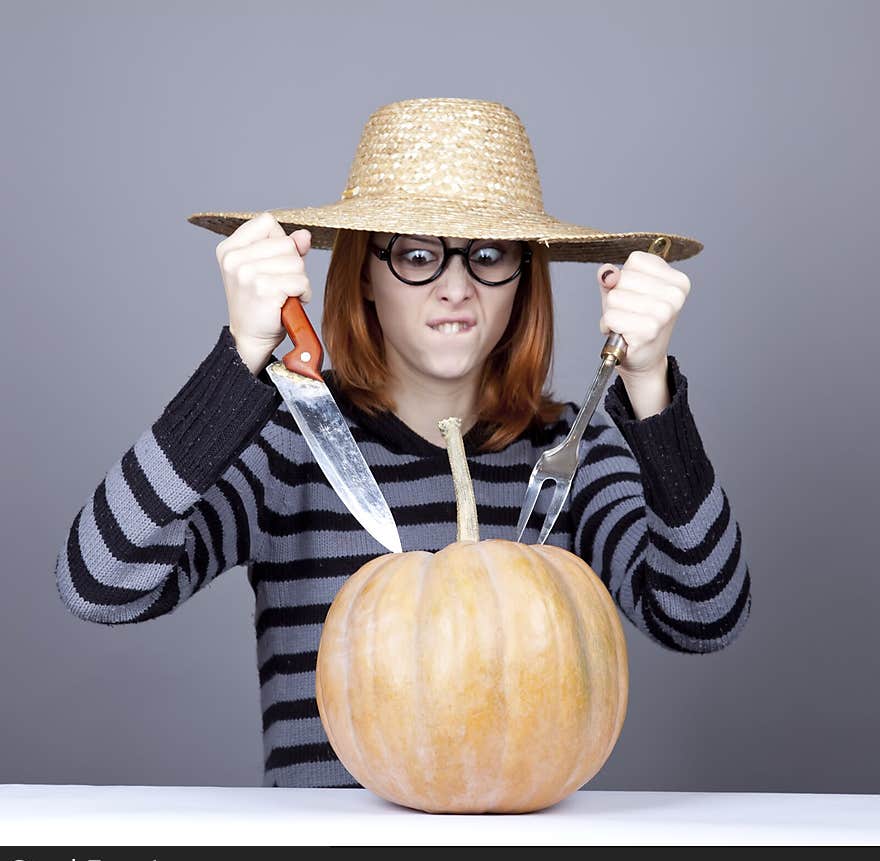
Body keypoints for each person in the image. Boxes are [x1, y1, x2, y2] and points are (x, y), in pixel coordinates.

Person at [55, 97, 752, 789]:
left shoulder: (572, 449)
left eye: (487, 255)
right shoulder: (287, 449)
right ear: (364, 274)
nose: (456, 288)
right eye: (418, 256)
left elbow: (704, 615)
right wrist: (239, 358)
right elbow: (99, 583)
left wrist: (649, 384)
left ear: (523, 279)